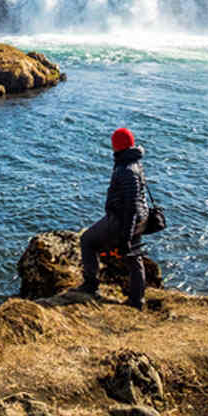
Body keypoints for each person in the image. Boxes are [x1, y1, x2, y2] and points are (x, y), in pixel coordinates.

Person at [78, 126, 151, 310]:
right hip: (140, 219)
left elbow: (130, 205)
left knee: (87, 240)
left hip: (123, 220)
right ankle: (137, 301)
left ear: (117, 146)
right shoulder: (133, 161)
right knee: (134, 258)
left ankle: (91, 285)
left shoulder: (126, 169)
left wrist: (125, 235)